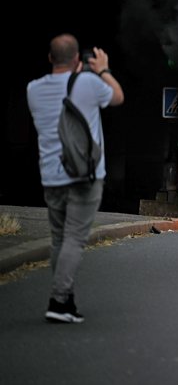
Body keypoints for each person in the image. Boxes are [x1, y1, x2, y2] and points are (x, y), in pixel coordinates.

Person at [26, 34, 124, 323]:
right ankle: (58, 301)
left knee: (59, 239)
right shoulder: (89, 83)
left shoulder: (33, 89)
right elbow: (118, 96)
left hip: (51, 176)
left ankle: (66, 301)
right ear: (78, 61)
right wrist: (103, 70)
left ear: (49, 58)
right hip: (84, 175)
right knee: (74, 239)